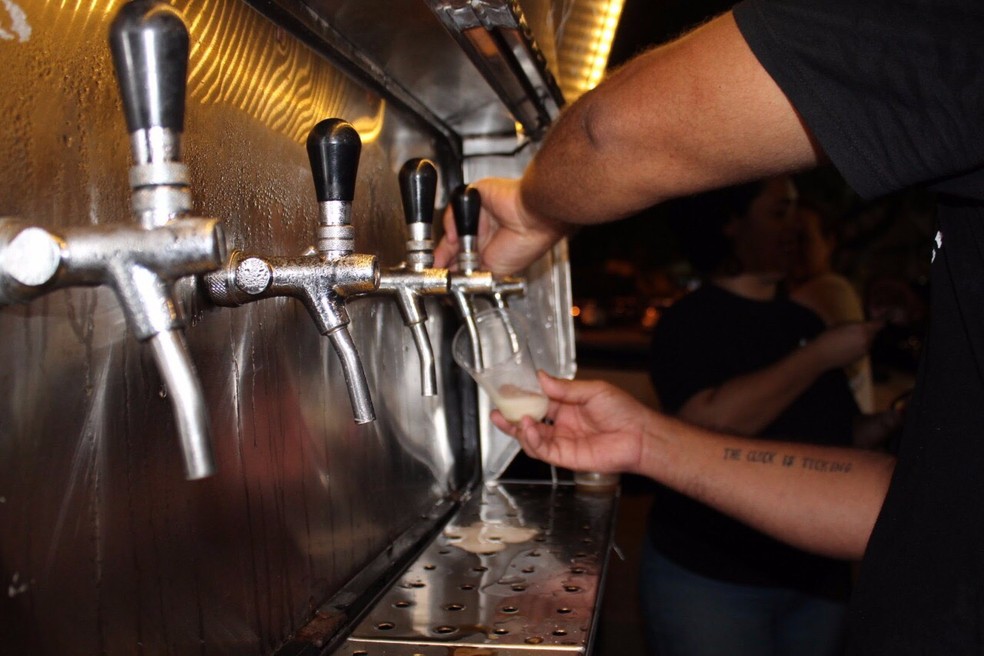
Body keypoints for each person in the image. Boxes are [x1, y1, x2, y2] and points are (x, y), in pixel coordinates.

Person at [432, 0, 983, 653]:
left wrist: (531, 205)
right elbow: (914, 508)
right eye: (778, 212)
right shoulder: (703, 320)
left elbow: (613, 131)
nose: (794, 230)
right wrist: (646, 443)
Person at [642, 177, 893, 656]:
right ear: (732, 224)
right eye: (779, 212)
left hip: (817, 582)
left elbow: (836, 435)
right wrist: (818, 356)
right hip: (712, 580)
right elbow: (705, 430)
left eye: (797, 211)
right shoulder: (689, 321)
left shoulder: (802, 321)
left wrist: (890, 424)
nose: (796, 226)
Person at [789, 204, 876, 413]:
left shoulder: (828, 289)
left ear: (829, 242)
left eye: (805, 238)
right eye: (790, 237)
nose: (793, 246)